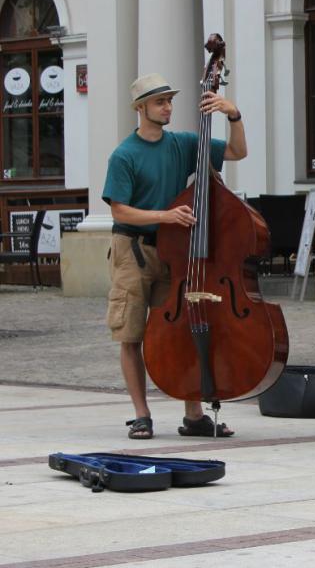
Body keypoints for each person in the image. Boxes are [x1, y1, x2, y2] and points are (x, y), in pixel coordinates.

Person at [102, 73, 247, 440]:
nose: (167, 107)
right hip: (132, 250)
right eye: (159, 102)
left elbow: (236, 152)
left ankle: (194, 414)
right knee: (131, 334)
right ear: (140, 108)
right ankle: (141, 415)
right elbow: (119, 211)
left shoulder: (182, 143)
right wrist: (164, 216)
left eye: (169, 101)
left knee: (185, 326)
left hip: (174, 254)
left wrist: (234, 115)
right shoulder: (124, 155)